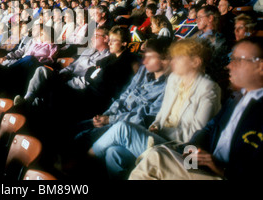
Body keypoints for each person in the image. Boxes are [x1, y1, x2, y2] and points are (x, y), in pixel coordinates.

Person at [129, 37, 263, 180]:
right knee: (119, 153)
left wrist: (221, 168)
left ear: (260, 66)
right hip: (204, 166)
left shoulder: (213, 89)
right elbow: (207, 129)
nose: (229, 66)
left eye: (238, 60)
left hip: (223, 173)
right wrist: (189, 160)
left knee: (155, 156)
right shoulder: (236, 99)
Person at [88, 39, 222, 179]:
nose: (173, 61)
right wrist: (155, 125)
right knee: (113, 152)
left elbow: (196, 134)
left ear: (196, 62)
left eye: (178, 58)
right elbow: (161, 115)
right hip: (160, 138)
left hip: (178, 148)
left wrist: (163, 131)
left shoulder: (209, 89)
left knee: (122, 128)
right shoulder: (174, 79)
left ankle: (85, 160)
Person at [72, 37, 172, 154]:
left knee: (81, 138)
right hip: (113, 116)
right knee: (75, 128)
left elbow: (145, 118)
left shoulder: (169, 87)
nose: (144, 61)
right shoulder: (144, 71)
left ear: (164, 59)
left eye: (150, 57)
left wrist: (110, 119)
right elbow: (125, 95)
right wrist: (106, 115)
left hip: (127, 126)